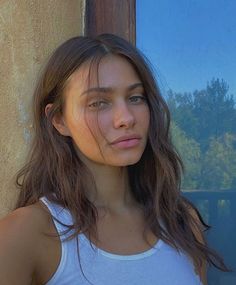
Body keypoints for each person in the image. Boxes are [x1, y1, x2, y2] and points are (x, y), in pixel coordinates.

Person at [0, 34, 229, 285]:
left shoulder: (181, 221)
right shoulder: (26, 234)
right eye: (99, 103)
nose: (126, 118)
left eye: (135, 98)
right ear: (59, 120)